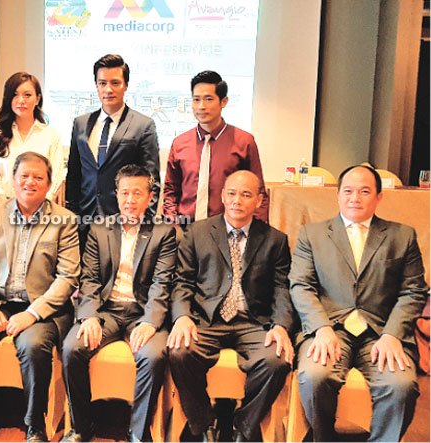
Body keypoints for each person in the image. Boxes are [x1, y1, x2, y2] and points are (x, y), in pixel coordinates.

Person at [289, 165, 428, 442]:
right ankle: (322, 437)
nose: (355, 198)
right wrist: (321, 329)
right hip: (329, 329)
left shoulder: (402, 236)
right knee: (315, 376)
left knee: (400, 385)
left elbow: (413, 291)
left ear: (379, 198)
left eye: (365, 191)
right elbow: (301, 286)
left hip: (382, 332)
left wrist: (392, 334)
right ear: (338, 196)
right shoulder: (312, 235)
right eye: (348, 191)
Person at [0, 152, 80, 443]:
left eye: (38, 177)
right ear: (12, 180)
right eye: (24, 176)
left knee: (34, 345)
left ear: (49, 184)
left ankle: (34, 424)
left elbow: (68, 278)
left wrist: (32, 314)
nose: (30, 182)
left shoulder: (65, 220)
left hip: (41, 308)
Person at [168, 170, 294, 442]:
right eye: (232, 193)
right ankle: (202, 424)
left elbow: (282, 289)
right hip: (206, 320)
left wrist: (281, 326)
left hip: (253, 322)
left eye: (246, 194)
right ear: (223, 196)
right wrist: (181, 317)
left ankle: (244, 425)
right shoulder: (197, 232)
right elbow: (182, 282)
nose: (238, 200)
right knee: (179, 351)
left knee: (278, 360)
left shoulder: (276, 240)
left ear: (260, 200)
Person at [61, 165, 176, 443]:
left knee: (153, 356)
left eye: (137, 193)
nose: (130, 200)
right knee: (71, 348)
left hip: (142, 313)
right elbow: (88, 279)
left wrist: (150, 322)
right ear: (116, 194)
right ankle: (81, 427)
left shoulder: (163, 232)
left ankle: (138, 433)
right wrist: (88, 315)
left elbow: (162, 284)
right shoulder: (100, 228)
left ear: (150, 197)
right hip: (106, 311)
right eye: (125, 192)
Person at [66, 54, 160, 248]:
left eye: (115, 83)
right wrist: (73, 217)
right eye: (102, 83)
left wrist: (143, 227)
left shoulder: (143, 125)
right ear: (96, 86)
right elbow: (74, 176)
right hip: (85, 224)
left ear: (125, 85)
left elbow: (152, 181)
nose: (108, 89)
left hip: (125, 224)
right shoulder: (80, 124)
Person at [162, 70, 269, 225]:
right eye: (196, 100)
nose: (201, 106)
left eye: (209, 99)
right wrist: (172, 226)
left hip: (227, 231)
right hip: (186, 231)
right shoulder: (179, 143)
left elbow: (259, 192)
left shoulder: (244, 142)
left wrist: (256, 234)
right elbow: (171, 191)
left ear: (223, 101)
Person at [0, 72, 66, 204]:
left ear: (37, 99)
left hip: (40, 212)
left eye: (27, 95)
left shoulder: (51, 135)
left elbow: (56, 176)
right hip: (4, 211)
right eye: (15, 95)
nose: (21, 100)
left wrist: (39, 206)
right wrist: (6, 206)